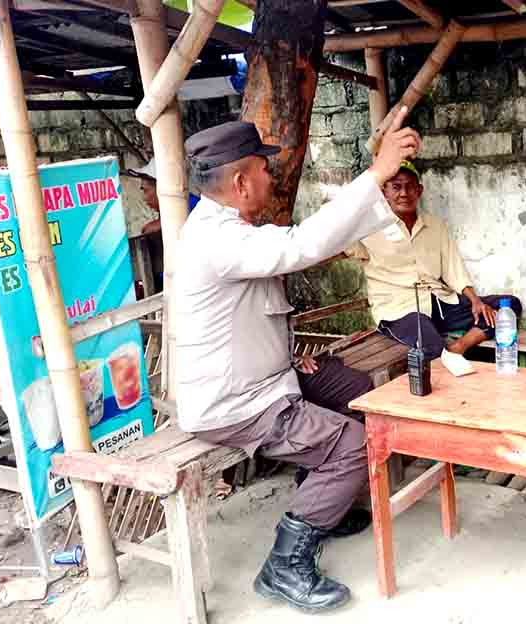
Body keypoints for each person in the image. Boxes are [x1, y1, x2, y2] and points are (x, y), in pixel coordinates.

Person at [174, 113, 421, 613]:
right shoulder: (217, 238)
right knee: (351, 444)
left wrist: (287, 359)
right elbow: (301, 246)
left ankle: (323, 505)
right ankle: (285, 565)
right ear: (242, 182)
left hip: (265, 378)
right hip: (236, 403)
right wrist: (375, 174)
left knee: (353, 387)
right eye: (264, 167)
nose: (272, 175)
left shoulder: (227, 228)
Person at [347, 160, 521, 359]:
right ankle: (445, 357)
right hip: (400, 311)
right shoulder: (367, 229)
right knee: (431, 347)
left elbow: (452, 268)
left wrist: (475, 301)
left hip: (440, 303)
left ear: (419, 191)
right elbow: (335, 237)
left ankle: (460, 346)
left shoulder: (435, 226)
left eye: (410, 187)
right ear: (384, 192)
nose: (403, 193)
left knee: (509, 306)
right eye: (396, 187)